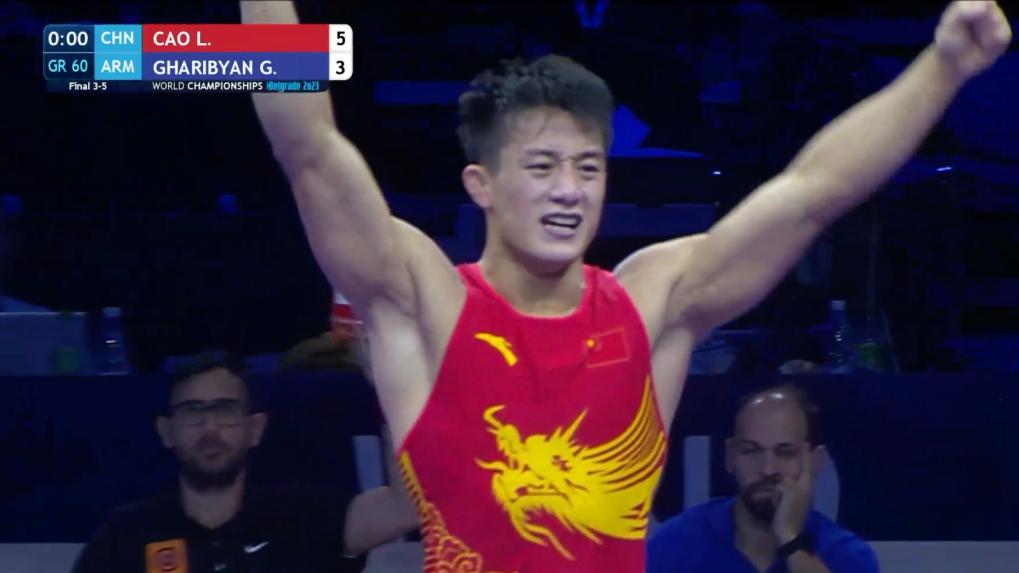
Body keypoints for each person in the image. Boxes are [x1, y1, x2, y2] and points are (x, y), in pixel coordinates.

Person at [242, 2, 1010, 571]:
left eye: (588, 167)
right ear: (481, 184)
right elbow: (307, 145)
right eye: (542, 167)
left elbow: (813, 191)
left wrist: (941, 67)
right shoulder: (426, 303)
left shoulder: (650, 302)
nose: (569, 190)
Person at [72, 351, 417, 573]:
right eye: (193, 412)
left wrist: (392, 388)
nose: (210, 427)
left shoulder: (304, 516)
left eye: (225, 410)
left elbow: (405, 508)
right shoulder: (125, 535)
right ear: (166, 431)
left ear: (255, 429)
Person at [647, 385, 878, 572]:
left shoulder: (847, 556)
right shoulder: (673, 545)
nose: (767, 469)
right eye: (751, 451)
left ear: (815, 462)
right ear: (730, 456)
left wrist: (789, 539)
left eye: (785, 452)